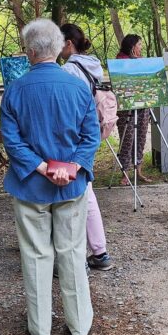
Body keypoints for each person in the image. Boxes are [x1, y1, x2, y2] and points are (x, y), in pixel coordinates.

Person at [0, 18, 100, 335]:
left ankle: (40, 329)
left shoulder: (15, 90)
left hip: (30, 185)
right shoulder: (78, 87)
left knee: (35, 255)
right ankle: (79, 325)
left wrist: (42, 167)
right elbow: (91, 136)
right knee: (72, 253)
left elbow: (12, 142)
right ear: (59, 48)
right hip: (70, 185)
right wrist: (69, 167)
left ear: (29, 52)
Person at [59, 23, 114, 271]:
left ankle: (77, 257)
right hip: (92, 131)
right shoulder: (93, 64)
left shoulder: (69, 70)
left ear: (69, 43)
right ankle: (99, 252)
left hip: (74, 134)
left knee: (77, 195)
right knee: (86, 190)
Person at [115, 34, 152, 185]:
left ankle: (138, 171)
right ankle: (125, 173)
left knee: (141, 137)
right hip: (127, 108)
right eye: (139, 44)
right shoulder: (120, 61)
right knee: (127, 139)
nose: (141, 47)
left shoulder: (140, 61)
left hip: (143, 105)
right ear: (132, 46)